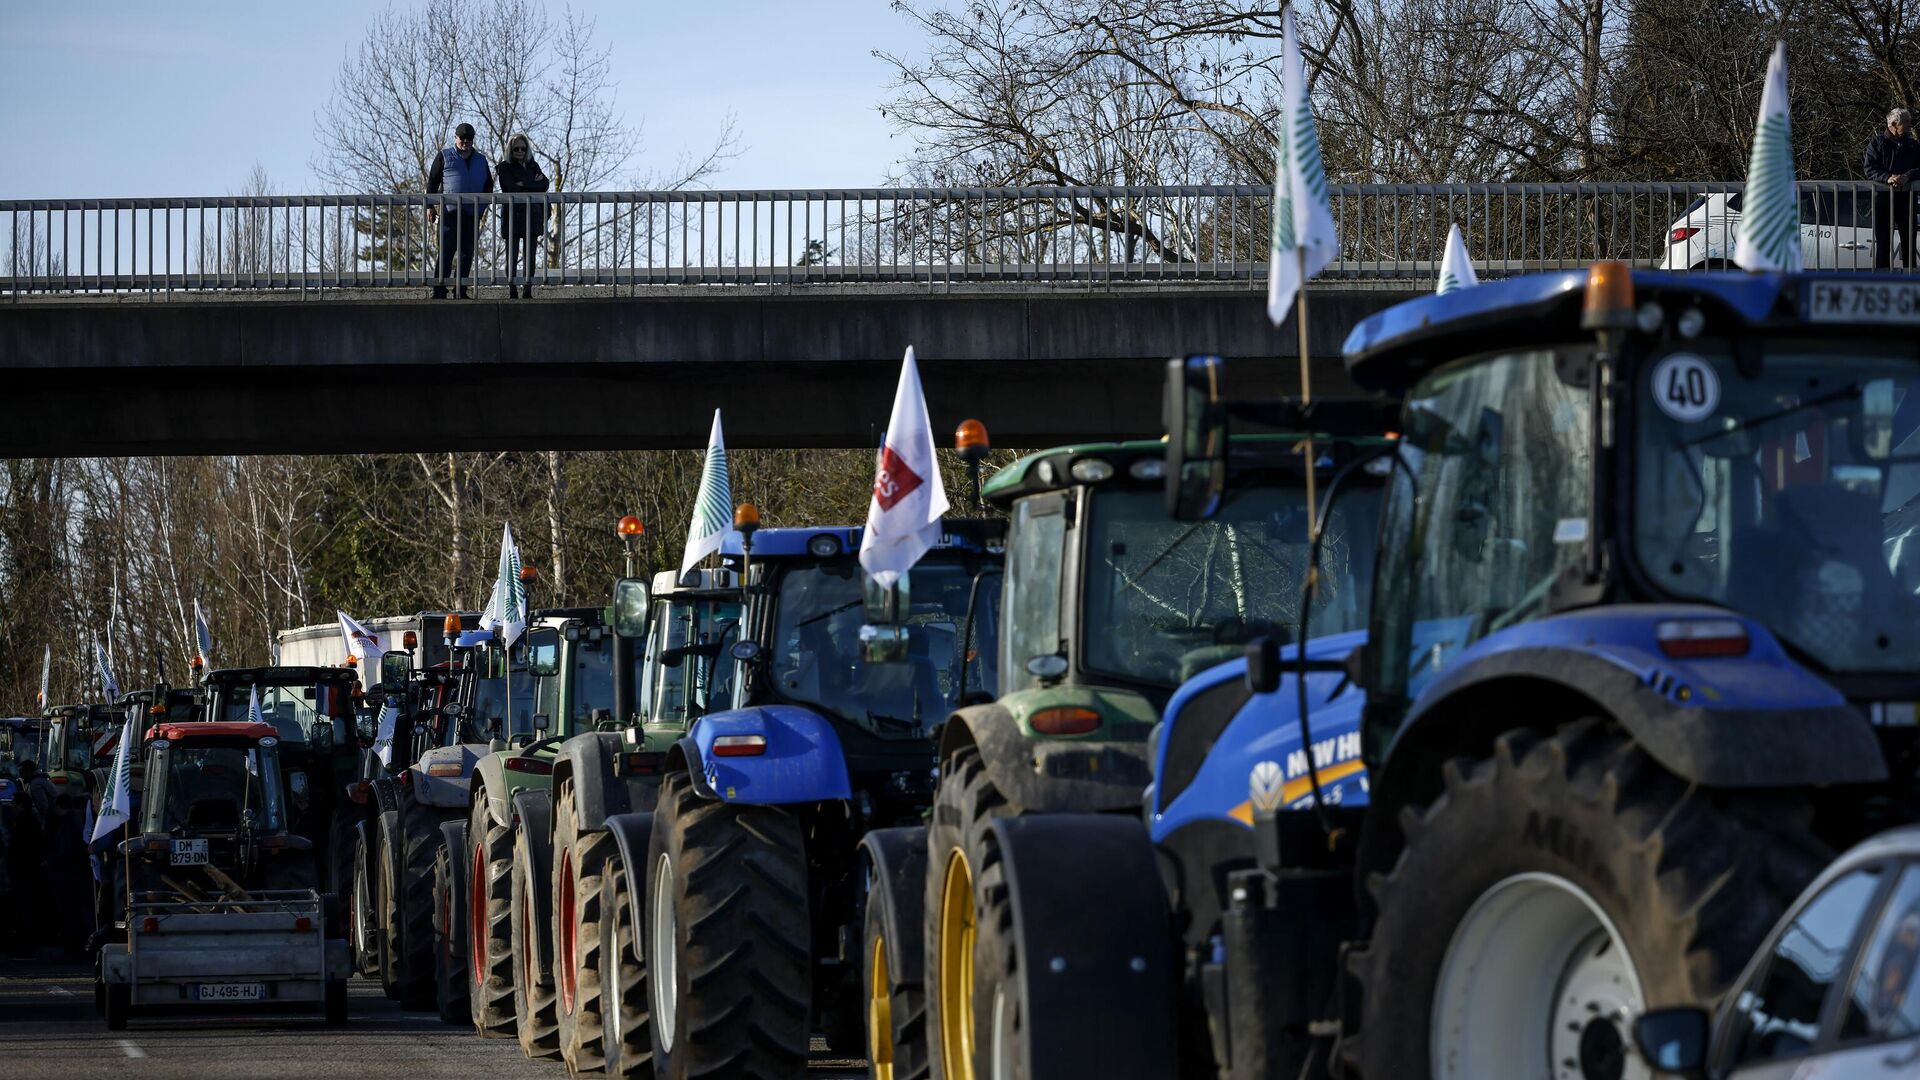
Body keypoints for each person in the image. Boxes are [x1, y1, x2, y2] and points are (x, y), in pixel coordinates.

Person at [426, 123, 495, 299]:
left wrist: (481, 208)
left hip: (472, 214)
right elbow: (433, 181)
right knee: (446, 252)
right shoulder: (444, 156)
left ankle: (460, 290)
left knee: (466, 254)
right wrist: (430, 206)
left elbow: (488, 185)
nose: (465, 142)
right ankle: (439, 290)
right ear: (455, 138)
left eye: (469, 139)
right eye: (462, 138)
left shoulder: (481, 160)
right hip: (450, 213)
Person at [1864, 107, 1920, 270]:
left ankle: (1911, 284)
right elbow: (1869, 168)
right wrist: (1888, 178)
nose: (1910, 125)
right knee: (1882, 245)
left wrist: (1907, 176)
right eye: (1907, 122)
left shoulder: (1913, 145)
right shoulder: (1877, 143)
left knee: (1909, 243)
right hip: (1883, 200)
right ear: (1895, 124)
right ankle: (1882, 283)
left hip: (1907, 201)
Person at [496, 133, 550, 299]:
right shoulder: (504, 167)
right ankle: (512, 288)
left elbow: (545, 184)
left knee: (530, 255)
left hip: (532, 216)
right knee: (511, 255)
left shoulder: (533, 166)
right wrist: (533, 185)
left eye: (523, 148)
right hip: (513, 215)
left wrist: (525, 184)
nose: (519, 151)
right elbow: (510, 187)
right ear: (510, 150)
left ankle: (527, 289)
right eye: (516, 148)